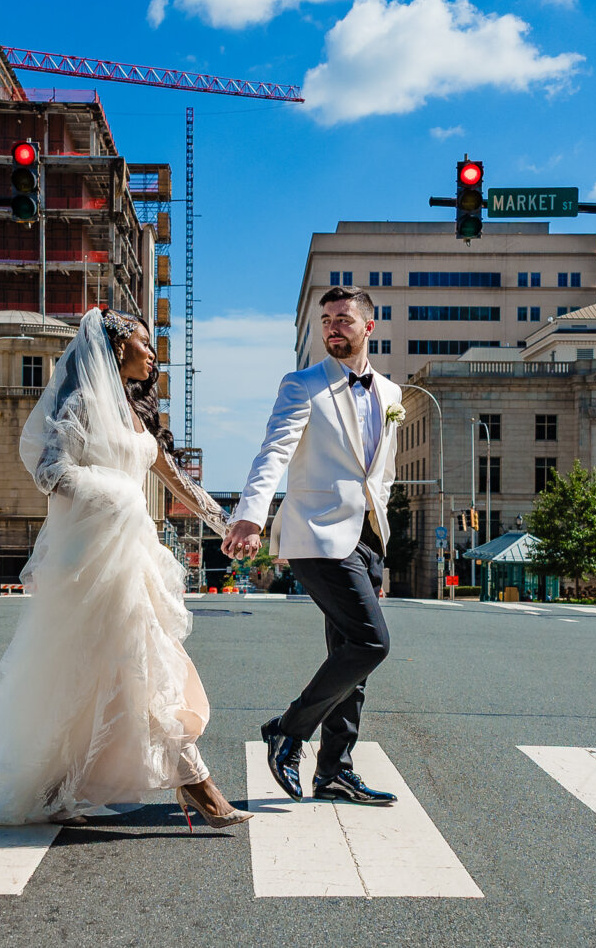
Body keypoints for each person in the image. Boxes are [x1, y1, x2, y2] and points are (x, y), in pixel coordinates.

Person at [0, 308, 251, 831]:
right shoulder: (82, 405)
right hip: (91, 561)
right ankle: (197, 784)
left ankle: (53, 787)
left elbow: (175, 479)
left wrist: (227, 523)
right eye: (145, 342)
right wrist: (116, 493)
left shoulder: (135, 415)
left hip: (131, 559)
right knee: (139, 666)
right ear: (117, 349)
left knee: (110, 672)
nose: (153, 353)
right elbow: (49, 470)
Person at [226, 286, 402, 806]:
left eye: (344, 319)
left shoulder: (391, 394)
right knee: (373, 644)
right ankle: (289, 730)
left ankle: (335, 771)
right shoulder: (302, 385)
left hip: (367, 539)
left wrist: (380, 542)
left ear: (369, 326)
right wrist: (251, 518)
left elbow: (382, 474)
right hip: (317, 536)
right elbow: (273, 451)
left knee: (353, 657)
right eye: (326, 320)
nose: (332, 328)